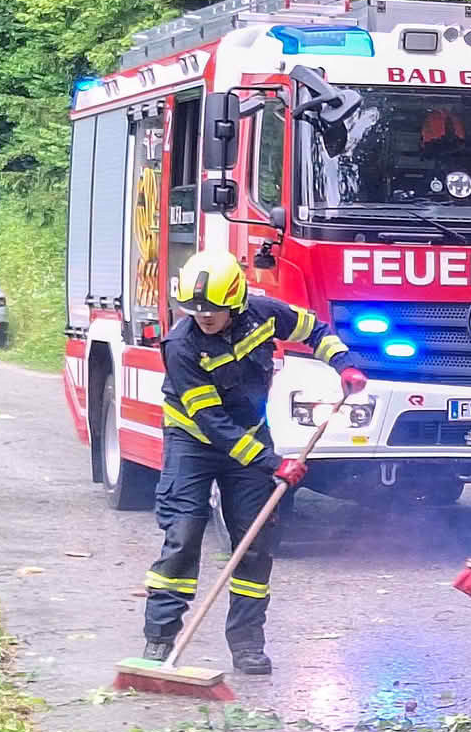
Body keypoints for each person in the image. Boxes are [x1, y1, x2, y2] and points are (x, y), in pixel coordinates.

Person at [143, 249, 366, 674]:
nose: (203, 316)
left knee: (255, 540)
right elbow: (209, 421)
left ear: (236, 302)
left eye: (213, 309)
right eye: (194, 308)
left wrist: (345, 363)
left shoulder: (264, 313)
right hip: (193, 441)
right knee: (184, 534)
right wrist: (270, 463)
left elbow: (314, 329)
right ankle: (160, 638)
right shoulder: (181, 345)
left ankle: (247, 644)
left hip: (248, 433)